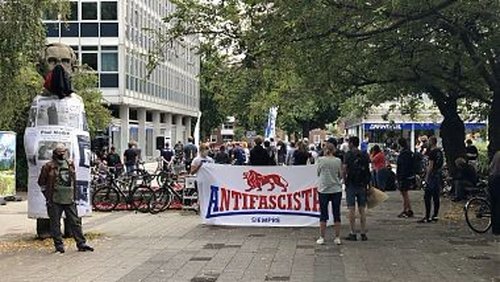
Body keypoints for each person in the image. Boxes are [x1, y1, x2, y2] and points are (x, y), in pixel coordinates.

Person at [37, 143, 94, 253]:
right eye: (60, 152)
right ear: (55, 153)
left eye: (64, 152)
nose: (62, 154)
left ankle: (81, 243)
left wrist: (74, 195)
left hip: (69, 198)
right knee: (55, 223)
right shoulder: (48, 166)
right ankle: (59, 246)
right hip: (55, 199)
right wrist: (48, 195)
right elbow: (41, 182)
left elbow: (73, 180)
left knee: (75, 222)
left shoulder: (69, 164)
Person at [342, 136, 371, 241]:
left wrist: (345, 181)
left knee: (351, 209)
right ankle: (363, 232)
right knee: (362, 209)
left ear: (351, 143)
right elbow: (368, 169)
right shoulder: (364, 154)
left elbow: (344, 169)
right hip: (362, 184)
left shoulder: (348, 155)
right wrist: (369, 184)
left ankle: (352, 232)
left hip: (351, 184)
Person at [316, 143, 343, 245]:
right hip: (336, 189)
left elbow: (318, 172)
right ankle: (337, 237)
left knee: (323, 214)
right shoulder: (338, 161)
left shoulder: (320, 160)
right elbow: (340, 174)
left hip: (323, 189)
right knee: (336, 213)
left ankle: (322, 237)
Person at [418, 136, 443, 223]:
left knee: (427, 196)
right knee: (436, 196)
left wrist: (426, 177)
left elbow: (430, 166)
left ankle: (427, 216)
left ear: (432, 142)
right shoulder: (440, 151)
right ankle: (435, 215)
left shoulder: (432, 153)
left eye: (429, 141)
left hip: (432, 175)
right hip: (438, 175)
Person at [396, 138, 415, 218]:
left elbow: (402, 166)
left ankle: (405, 210)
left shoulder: (403, 154)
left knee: (404, 193)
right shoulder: (409, 152)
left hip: (404, 176)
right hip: (408, 175)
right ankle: (409, 209)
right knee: (405, 193)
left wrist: (400, 177)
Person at [489, 151, 500, 235]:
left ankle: (495, 229)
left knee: (494, 204)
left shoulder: (497, 154)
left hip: (493, 179)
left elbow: (491, 166)